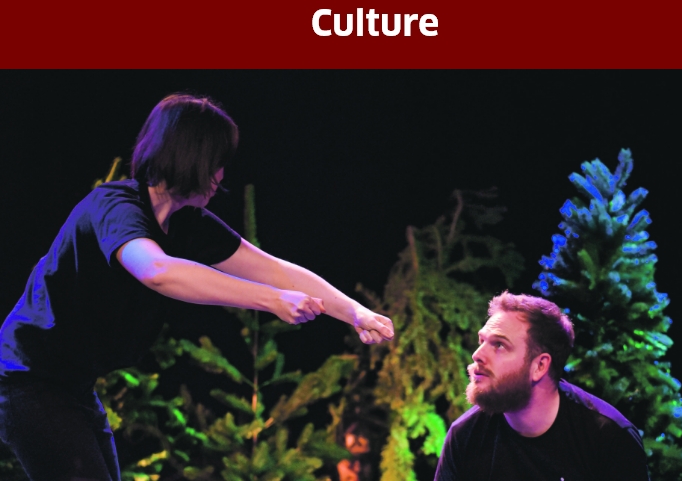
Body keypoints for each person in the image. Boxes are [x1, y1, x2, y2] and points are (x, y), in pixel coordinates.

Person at [0, 93, 394, 481]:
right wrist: (271, 300)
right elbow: (157, 270)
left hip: (74, 386)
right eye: (217, 162)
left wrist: (354, 312)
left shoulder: (188, 224)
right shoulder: (115, 207)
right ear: (192, 157)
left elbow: (275, 270)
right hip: (27, 378)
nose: (221, 176)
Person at [434, 291, 649, 480]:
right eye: (482, 341)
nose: (477, 355)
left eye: (499, 345)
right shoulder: (465, 436)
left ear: (540, 366)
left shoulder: (610, 438)